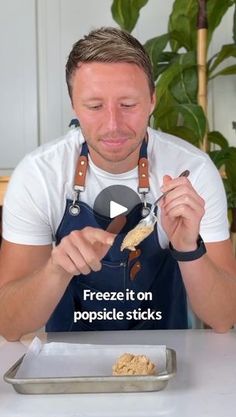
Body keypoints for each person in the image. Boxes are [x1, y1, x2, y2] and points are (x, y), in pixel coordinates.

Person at [0, 27, 236, 341]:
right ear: (73, 105)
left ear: (152, 100)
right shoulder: (40, 174)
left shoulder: (191, 170)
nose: (113, 126)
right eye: (95, 107)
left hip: (170, 364)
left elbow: (224, 318)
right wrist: (55, 270)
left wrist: (188, 248)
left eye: (128, 105)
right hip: (69, 367)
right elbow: (9, 324)